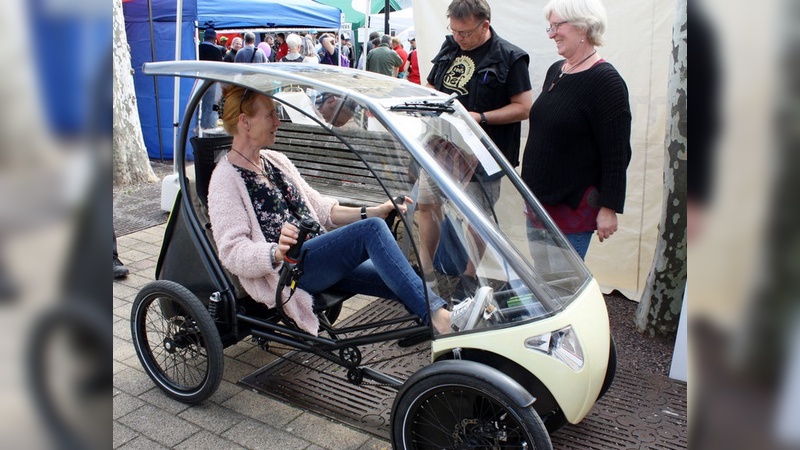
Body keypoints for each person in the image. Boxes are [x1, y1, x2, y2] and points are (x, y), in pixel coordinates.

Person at [206, 85, 496, 336]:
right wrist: (275, 252)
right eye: (270, 114)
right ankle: (442, 320)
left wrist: (373, 210)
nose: (277, 121)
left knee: (397, 275)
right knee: (372, 234)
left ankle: (445, 326)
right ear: (245, 122)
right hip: (288, 273)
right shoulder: (225, 178)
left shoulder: (273, 159)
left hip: (318, 258)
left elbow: (321, 209)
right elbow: (231, 252)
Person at [422, 0, 533, 292]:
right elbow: (431, 84)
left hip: (485, 152)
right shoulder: (449, 47)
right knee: (426, 203)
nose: (459, 38)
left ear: (485, 25)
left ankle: (469, 277)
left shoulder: (510, 56)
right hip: (441, 145)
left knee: (477, 217)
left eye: (466, 32)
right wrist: (432, 99)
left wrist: (481, 117)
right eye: (455, 30)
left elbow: (524, 107)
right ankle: (425, 271)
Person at [520, 0, 631, 259]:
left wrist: (609, 207)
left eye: (557, 25)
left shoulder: (606, 82)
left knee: (564, 289)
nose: (551, 34)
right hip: (538, 204)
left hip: (571, 209)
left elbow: (617, 154)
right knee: (544, 285)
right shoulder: (556, 71)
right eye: (550, 26)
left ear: (584, 27)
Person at [198, 28, 224, 129]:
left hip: (198, 80)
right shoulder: (216, 51)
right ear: (214, 39)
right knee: (210, 107)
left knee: (196, 107)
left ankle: (196, 128)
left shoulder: (197, 49)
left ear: (204, 37)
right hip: (212, 82)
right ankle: (208, 128)